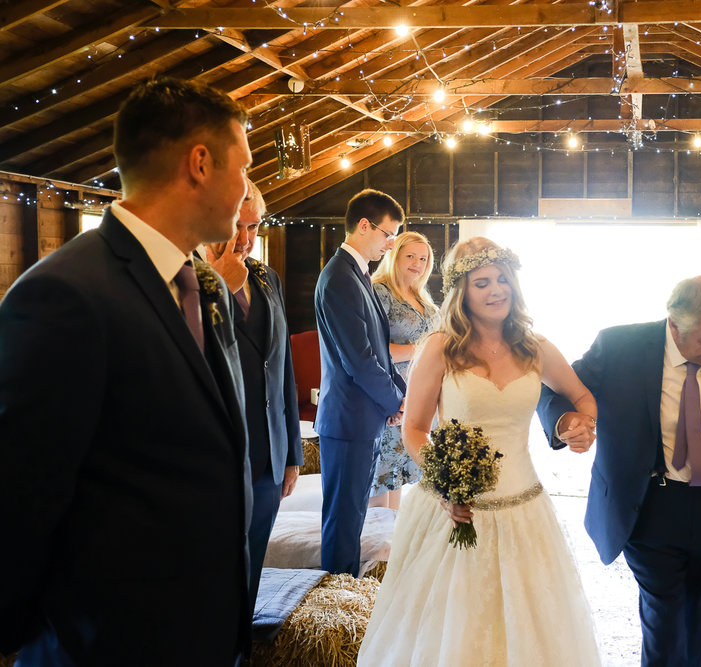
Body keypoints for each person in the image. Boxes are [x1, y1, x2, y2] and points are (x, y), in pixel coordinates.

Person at [0, 77, 253, 664]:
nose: (245, 194)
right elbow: (20, 495)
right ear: (199, 163)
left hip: (203, 627)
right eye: (240, 169)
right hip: (113, 640)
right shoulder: (67, 294)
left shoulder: (196, 284)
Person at [358, 237, 601, 666]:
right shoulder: (439, 348)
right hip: (454, 509)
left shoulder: (536, 347)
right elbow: (414, 429)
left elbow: (582, 398)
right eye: (482, 282)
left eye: (502, 279)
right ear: (461, 292)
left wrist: (580, 427)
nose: (496, 290)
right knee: (452, 629)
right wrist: (444, 482)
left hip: (524, 508)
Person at [538, 275, 701, 667]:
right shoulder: (619, 347)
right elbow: (554, 388)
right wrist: (565, 422)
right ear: (674, 324)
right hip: (648, 504)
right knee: (665, 623)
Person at [204, 181, 303, 605]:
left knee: (251, 574)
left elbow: (282, 369)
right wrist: (219, 286)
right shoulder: (181, 281)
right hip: (216, 458)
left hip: (268, 457)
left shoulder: (267, 278)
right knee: (214, 576)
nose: (245, 240)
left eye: (254, 227)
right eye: (235, 227)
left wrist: (292, 453)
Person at [314, 188, 407, 576]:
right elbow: (359, 360)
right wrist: (395, 402)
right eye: (388, 234)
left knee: (352, 515)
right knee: (343, 518)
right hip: (348, 419)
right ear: (365, 226)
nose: (390, 244)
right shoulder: (339, 277)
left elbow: (378, 351)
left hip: (361, 417)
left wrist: (397, 395)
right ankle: (337, 592)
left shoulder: (357, 273)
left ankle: (345, 586)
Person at [368, 231, 439, 510]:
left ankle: (392, 547)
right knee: (381, 475)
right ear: (394, 256)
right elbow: (372, 350)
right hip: (390, 395)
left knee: (397, 475)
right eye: (410, 255)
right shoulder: (380, 292)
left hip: (419, 397)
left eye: (423, 258)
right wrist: (422, 350)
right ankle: (376, 548)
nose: (417, 263)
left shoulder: (422, 297)